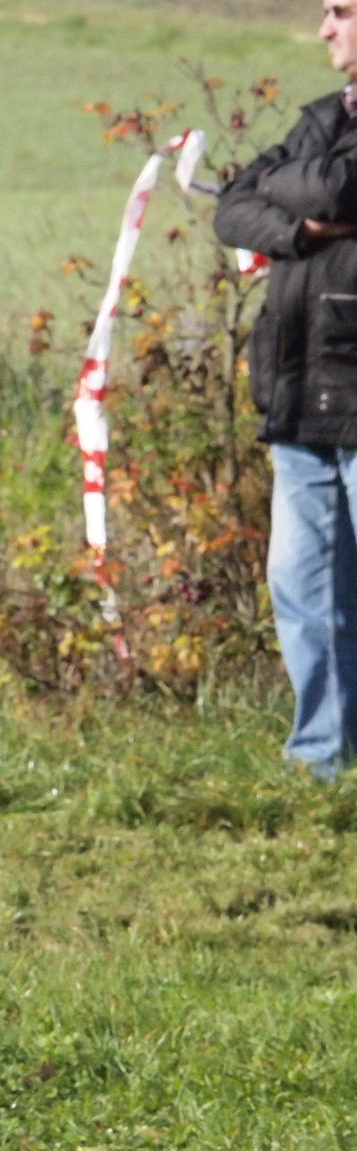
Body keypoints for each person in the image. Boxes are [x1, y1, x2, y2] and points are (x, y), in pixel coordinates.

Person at [214, 0, 357, 775]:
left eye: (341, 10)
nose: (324, 28)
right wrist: (299, 229)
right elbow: (233, 205)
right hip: (300, 398)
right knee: (303, 592)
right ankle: (324, 763)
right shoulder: (322, 118)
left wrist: (289, 189)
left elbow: (341, 189)